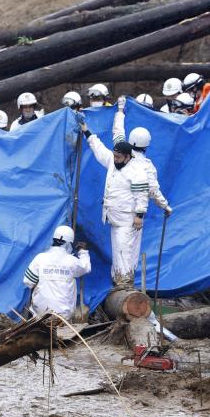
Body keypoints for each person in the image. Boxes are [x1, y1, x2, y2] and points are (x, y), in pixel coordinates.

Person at [78, 97, 171, 289]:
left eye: (119, 156)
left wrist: (140, 215)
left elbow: (146, 192)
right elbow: (100, 147)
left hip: (129, 219)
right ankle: (119, 283)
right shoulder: (118, 157)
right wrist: (87, 131)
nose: (116, 157)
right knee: (120, 250)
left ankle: (125, 283)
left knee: (126, 250)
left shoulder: (138, 168)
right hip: (114, 217)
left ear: (127, 154)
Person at [23, 225, 91, 319]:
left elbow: (28, 282)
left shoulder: (40, 258)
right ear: (68, 244)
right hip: (63, 315)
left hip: (40, 314)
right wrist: (83, 252)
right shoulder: (72, 261)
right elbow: (86, 267)